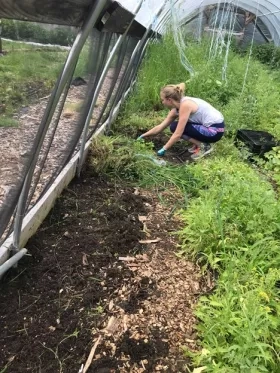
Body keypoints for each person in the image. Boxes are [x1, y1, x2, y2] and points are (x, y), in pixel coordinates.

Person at [138, 83, 225, 160]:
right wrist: (144, 135)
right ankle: (198, 144)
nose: (162, 102)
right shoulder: (176, 108)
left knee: (177, 128)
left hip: (215, 131)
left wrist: (164, 148)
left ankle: (204, 146)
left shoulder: (185, 105)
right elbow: (160, 127)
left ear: (169, 100)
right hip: (208, 127)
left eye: (163, 100)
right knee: (173, 126)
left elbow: (178, 133)